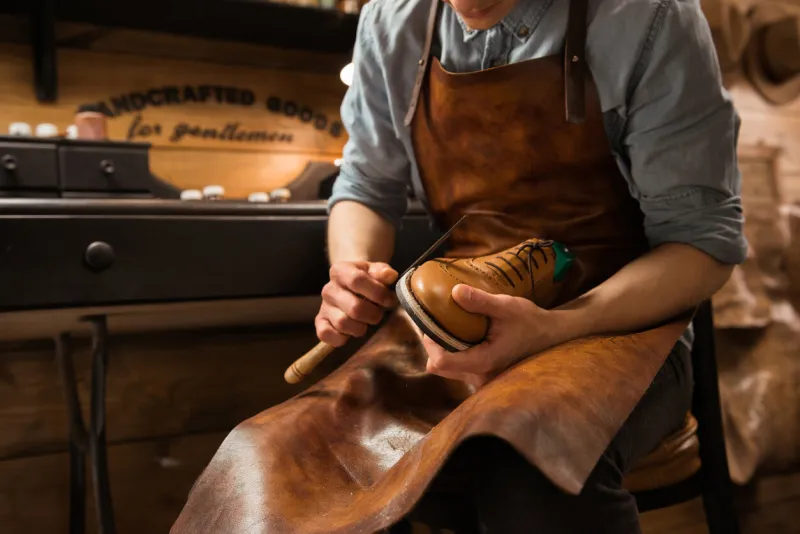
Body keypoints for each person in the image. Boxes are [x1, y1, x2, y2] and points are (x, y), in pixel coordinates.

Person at [172, 0, 745, 532]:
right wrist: (352, 272)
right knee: (273, 456)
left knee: (520, 461)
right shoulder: (393, 18)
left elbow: (700, 247)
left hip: (619, 328)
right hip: (452, 324)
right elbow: (367, 188)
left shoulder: (646, 15)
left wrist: (557, 326)